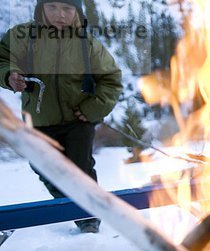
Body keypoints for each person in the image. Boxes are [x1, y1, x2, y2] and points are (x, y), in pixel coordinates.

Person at [0, 0, 122, 233]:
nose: (60, 15)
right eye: (53, 7)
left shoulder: (87, 45)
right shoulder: (23, 36)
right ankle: (76, 207)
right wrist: (9, 76)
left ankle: (88, 220)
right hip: (38, 120)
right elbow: (2, 60)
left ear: (76, 11)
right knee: (45, 168)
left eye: (67, 9)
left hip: (78, 120)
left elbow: (111, 80)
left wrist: (92, 109)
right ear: (41, 8)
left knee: (81, 170)